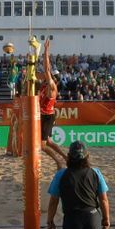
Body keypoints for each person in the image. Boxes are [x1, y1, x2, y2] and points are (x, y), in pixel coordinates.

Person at [38, 41, 67, 170]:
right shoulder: (44, 85)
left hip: (47, 117)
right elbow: (44, 71)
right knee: (48, 141)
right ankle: (65, 157)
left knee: (42, 145)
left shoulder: (52, 86)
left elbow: (47, 69)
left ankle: (58, 162)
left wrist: (46, 51)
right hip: (45, 115)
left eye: (50, 75)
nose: (46, 75)